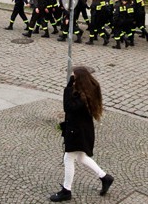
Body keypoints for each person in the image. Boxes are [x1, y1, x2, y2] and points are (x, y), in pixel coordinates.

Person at [49, 66, 114, 202]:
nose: (72, 78)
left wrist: (67, 88)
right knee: (81, 157)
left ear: (79, 79)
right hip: (81, 131)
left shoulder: (82, 97)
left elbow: (68, 107)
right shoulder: (86, 92)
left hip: (77, 132)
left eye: (74, 76)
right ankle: (104, 177)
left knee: (68, 158)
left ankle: (66, 191)